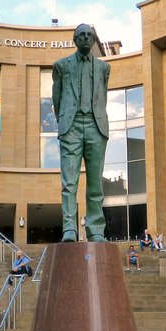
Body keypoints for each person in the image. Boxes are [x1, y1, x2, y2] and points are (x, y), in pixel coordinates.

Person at [52, 23, 110, 242]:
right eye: (81, 35)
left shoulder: (104, 68)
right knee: (69, 182)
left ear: (94, 40)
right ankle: (69, 228)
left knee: (96, 183)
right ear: (74, 40)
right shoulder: (61, 66)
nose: (85, 38)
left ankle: (95, 230)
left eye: (89, 35)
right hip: (71, 126)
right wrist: (64, 121)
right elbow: (56, 98)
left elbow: (101, 97)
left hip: (96, 126)